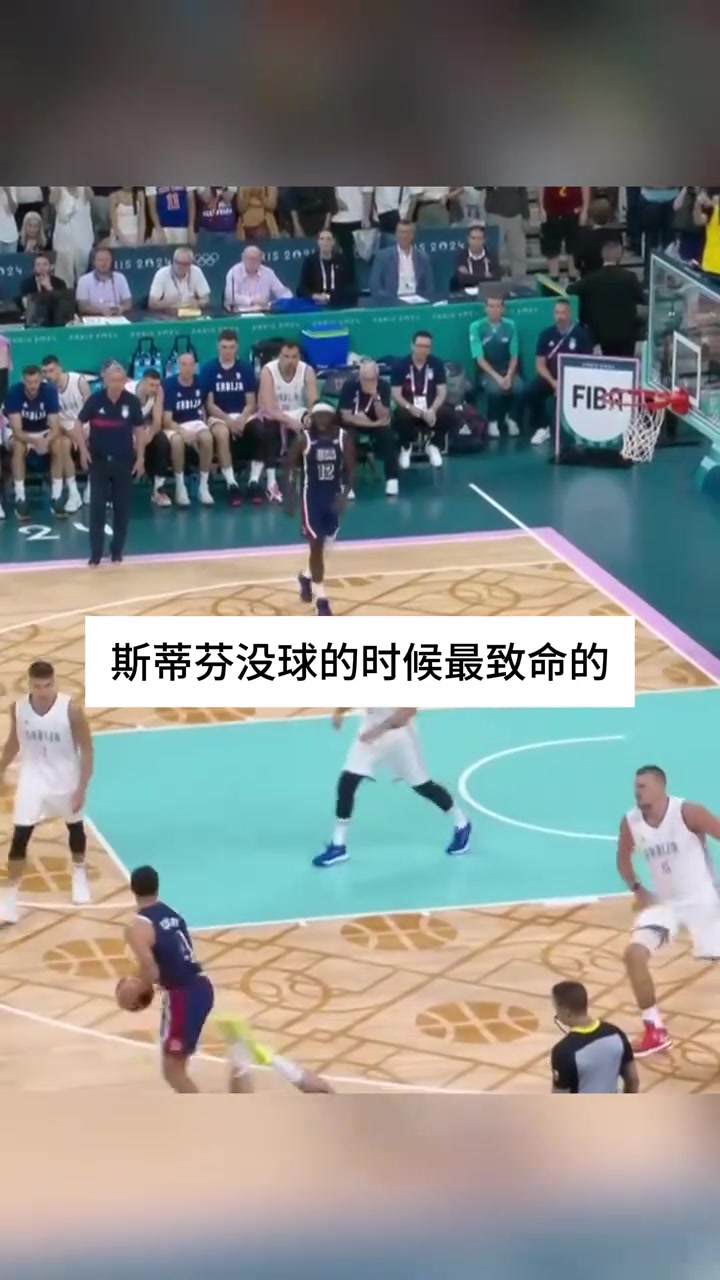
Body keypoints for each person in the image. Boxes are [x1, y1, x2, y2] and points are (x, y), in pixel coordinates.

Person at [125, 865, 332, 1094]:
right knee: (178, 1066)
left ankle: (219, 1091)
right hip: (202, 986)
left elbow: (151, 972)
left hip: (181, 997)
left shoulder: (137, 928)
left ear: (132, 888)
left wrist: (136, 990)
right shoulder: (173, 913)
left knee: (173, 1070)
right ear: (157, 887)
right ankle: (241, 1058)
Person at [618, 765, 720, 1057]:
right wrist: (638, 889)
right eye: (635, 786)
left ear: (660, 787)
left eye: (642, 786)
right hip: (666, 905)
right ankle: (655, 1030)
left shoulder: (689, 812)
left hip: (703, 901)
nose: (636, 792)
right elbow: (623, 860)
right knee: (633, 955)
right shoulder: (631, 822)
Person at [313, 709, 472, 867]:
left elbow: (408, 711)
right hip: (369, 732)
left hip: (400, 736)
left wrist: (379, 730)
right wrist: (339, 711)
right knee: (348, 781)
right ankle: (338, 845)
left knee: (422, 785)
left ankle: (462, 823)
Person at [0, 660, 93, 924]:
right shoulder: (18, 709)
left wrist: (82, 787)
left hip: (65, 777)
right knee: (20, 837)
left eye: (48, 685)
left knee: (75, 827)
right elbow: (13, 742)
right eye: (38, 686)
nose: (43, 691)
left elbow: (87, 749)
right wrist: (1, 768)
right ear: (29, 684)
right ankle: (9, 899)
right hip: (33, 778)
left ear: (55, 682)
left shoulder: (72, 710)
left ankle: (79, 873)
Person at [283, 403, 354, 616]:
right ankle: (321, 599)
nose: (322, 421)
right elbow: (287, 466)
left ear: (332, 418)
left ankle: (306, 577)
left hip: (332, 496)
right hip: (311, 498)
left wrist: (345, 494)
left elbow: (351, 469)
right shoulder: (304, 439)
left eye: (325, 416)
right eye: (318, 416)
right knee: (316, 544)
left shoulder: (342, 438)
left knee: (327, 542)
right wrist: (289, 496)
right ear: (312, 418)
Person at [72, 361, 146, 566]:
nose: (117, 384)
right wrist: (83, 450)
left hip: (124, 461)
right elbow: (78, 424)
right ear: (105, 380)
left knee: (122, 509)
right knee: (97, 508)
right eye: (113, 380)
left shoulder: (131, 401)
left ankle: (117, 552)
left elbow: (140, 430)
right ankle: (95, 554)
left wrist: (140, 458)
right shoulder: (95, 400)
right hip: (99, 461)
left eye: (120, 380)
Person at [201, 329, 259, 507]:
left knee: (260, 430)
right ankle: (231, 483)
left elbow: (251, 402)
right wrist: (229, 421)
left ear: (237, 348)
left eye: (231, 347)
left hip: (242, 414)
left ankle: (254, 481)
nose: (228, 351)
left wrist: (241, 419)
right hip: (219, 416)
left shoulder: (245, 369)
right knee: (222, 433)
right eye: (224, 347)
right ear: (218, 346)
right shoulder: (209, 369)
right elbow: (210, 405)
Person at [257, 340, 319, 504]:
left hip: (297, 412)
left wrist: (309, 416)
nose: (290, 360)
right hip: (275, 413)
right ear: (279, 356)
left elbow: (313, 402)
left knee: (313, 426)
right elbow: (268, 407)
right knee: (269, 428)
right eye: (286, 356)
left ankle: (310, 478)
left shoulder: (307, 371)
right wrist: (289, 422)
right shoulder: (268, 371)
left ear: (299, 357)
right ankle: (271, 482)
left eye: (294, 357)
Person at [523, 300, 593, 446]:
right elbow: (540, 365)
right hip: (550, 379)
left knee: (559, 431)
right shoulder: (546, 334)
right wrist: (553, 382)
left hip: (573, 382)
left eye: (563, 313)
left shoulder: (581, 335)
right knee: (531, 390)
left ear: (569, 314)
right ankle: (541, 427)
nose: (560, 316)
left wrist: (566, 384)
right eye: (557, 312)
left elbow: (586, 365)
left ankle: (570, 430)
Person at [550, 982, 638, 1094]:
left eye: (556, 1009)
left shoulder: (563, 1051)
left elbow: (560, 1097)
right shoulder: (616, 1033)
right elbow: (633, 1081)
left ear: (567, 1013)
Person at [4, 364, 65, 519]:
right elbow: (17, 431)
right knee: (18, 447)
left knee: (58, 444)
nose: (32, 386)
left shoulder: (49, 391)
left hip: (42, 431)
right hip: (21, 432)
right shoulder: (14, 392)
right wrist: (35, 442)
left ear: (41, 380)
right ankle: (20, 498)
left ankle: (57, 497)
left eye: (36, 382)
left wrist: (45, 441)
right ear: (23, 380)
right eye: (29, 382)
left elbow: (55, 427)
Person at [390, 330, 455, 470]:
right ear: (412, 346)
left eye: (427, 346)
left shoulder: (437, 364)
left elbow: (442, 391)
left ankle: (433, 445)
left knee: (449, 414)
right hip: (409, 405)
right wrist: (410, 407)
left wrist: (433, 409)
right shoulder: (400, 365)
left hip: (430, 405)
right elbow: (396, 394)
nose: (423, 349)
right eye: (419, 345)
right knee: (400, 415)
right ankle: (406, 447)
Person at [569, 239, 644, 358]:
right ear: (620, 255)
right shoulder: (629, 277)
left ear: (602, 256)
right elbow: (642, 298)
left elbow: (570, 291)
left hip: (600, 334)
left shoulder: (591, 278)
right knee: (626, 363)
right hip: (626, 334)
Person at [337, 359, 399, 497]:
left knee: (388, 436)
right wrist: (373, 424)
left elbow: (384, 416)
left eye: (371, 379)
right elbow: (346, 416)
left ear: (377, 377)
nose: (368, 382)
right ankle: (346, 483)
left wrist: (375, 397)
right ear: (359, 377)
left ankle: (392, 479)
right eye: (364, 379)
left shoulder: (383, 386)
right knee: (348, 440)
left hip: (375, 422)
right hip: (352, 424)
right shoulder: (350, 385)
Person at [162, 352, 214, 508]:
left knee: (207, 439)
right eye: (184, 364)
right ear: (178, 366)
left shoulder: (202, 382)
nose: (187, 368)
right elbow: (166, 419)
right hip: (174, 424)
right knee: (177, 441)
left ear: (195, 367)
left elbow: (206, 406)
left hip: (195, 423)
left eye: (191, 365)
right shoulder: (169, 385)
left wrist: (204, 424)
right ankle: (180, 486)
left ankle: (203, 486)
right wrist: (182, 431)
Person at [40, 355, 90, 513]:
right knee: (62, 444)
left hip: (84, 424)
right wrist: (72, 434)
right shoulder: (45, 389)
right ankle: (73, 493)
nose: (48, 375)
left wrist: (84, 432)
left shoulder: (79, 381)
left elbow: (92, 409)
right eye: (45, 372)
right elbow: (53, 421)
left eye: (51, 370)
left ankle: (92, 486)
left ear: (60, 368)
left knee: (99, 440)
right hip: (63, 428)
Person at [469, 295, 523, 438]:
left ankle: (512, 419)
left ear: (503, 309)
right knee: (494, 389)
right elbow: (480, 359)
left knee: (519, 387)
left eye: (498, 306)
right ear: (485, 308)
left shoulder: (510, 325)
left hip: (507, 369)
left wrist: (509, 375)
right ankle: (492, 421)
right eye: (491, 306)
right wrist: (498, 378)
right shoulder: (476, 327)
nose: (494, 310)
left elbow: (514, 356)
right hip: (486, 371)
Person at [297, 228, 357, 308]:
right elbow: (301, 289)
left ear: (333, 242)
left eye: (329, 239)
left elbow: (352, 287)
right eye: (322, 239)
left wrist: (330, 297)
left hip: (339, 304)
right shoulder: (310, 261)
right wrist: (315, 296)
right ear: (318, 242)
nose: (325, 242)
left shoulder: (343, 261)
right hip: (316, 305)